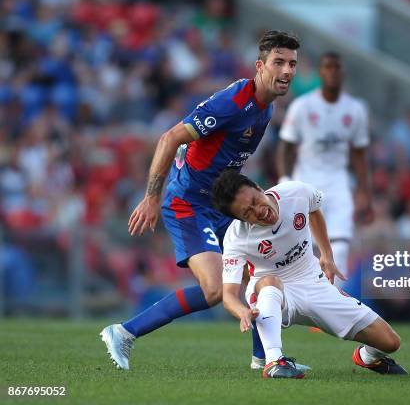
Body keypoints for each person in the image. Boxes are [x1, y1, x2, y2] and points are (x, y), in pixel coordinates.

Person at [100, 30, 302, 371]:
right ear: (260, 66)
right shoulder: (234, 102)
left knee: (263, 270)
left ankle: (264, 358)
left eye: (292, 64)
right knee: (213, 290)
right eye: (278, 62)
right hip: (188, 203)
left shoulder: (265, 107)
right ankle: (123, 332)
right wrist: (152, 197)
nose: (286, 70)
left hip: (223, 205)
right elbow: (170, 137)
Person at [213, 170, 406, 378]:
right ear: (240, 220)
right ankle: (274, 362)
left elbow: (314, 210)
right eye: (247, 213)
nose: (257, 211)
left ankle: (366, 358)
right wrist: (242, 312)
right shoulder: (236, 238)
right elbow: (229, 296)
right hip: (274, 294)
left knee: (390, 342)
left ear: (259, 188)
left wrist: (327, 255)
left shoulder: (295, 192)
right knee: (269, 281)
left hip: (314, 283)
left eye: (255, 200)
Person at [276, 52, 372, 285]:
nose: (332, 72)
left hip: (339, 184)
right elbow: (286, 146)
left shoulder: (355, 109)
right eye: (327, 67)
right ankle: (300, 301)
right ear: (320, 72)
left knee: (339, 248)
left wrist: (363, 190)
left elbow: (359, 153)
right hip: (305, 183)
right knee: (301, 249)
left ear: (343, 72)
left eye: (336, 67)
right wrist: (284, 178)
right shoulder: (302, 106)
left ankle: (328, 312)